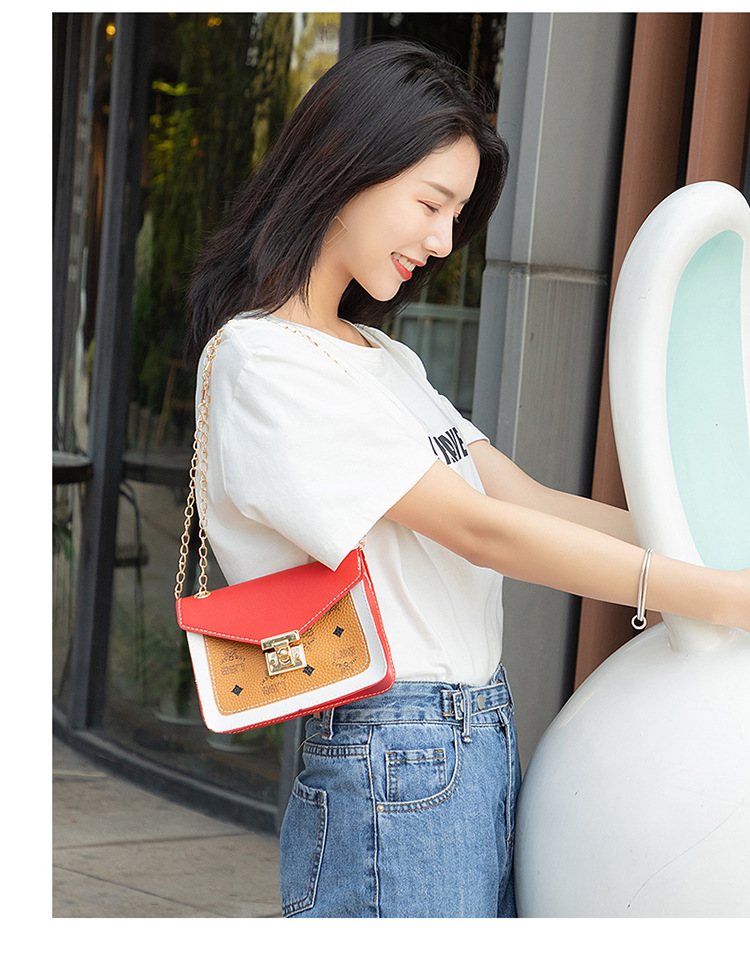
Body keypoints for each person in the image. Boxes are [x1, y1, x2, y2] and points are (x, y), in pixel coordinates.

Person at [185, 40, 750, 918]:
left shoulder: (383, 357)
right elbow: (478, 529)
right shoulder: (265, 363)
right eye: (430, 203)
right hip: (395, 752)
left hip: (471, 737)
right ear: (346, 164)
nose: (443, 241)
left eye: (456, 214)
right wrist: (713, 595)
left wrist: (705, 541)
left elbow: (526, 501)